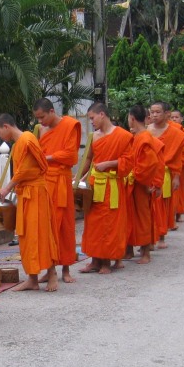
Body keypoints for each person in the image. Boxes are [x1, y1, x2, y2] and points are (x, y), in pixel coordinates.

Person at [0, 113, 59, 291]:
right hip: (26, 194)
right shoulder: (18, 144)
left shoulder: (27, 139)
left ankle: (52, 274)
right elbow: (21, 174)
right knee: (26, 236)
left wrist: (7, 188)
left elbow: (26, 170)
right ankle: (32, 278)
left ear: (6, 126)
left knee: (42, 233)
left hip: (36, 193)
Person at [79, 102, 134, 274]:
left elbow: (129, 161)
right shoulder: (93, 136)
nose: (92, 122)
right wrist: (78, 177)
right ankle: (95, 260)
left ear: (102, 114)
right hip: (95, 184)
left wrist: (108, 164)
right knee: (93, 223)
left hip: (112, 184)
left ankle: (107, 261)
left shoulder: (123, 135)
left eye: (92, 118)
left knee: (110, 224)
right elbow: (88, 159)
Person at [32, 97, 81, 284]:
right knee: (46, 227)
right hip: (44, 182)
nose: (40, 121)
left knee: (64, 227)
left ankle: (66, 269)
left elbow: (71, 156)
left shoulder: (70, 125)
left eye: (42, 117)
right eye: (37, 118)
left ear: (52, 111)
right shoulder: (40, 130)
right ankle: (48, 268)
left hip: (61, 181)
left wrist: (47, 157)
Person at [126, 105, 163, 264]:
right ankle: (129, 250)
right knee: (130, 218)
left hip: (140, 184)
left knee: (143, 218)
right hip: (133, 183)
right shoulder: (136, 137)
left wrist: (139, 178)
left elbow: (150, 163)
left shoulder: (145, 138)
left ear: (132, 118)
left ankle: (146, 252)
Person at [148, 101, 184, 249]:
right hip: (150, 173)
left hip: (165, 173)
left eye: (158, 112)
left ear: (166, 114)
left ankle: (161, 236)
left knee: (162, 205)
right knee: (149, 206)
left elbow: (177, 157)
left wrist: (176, 176)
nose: (154, 115)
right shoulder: (147, 131)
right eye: (152, 112)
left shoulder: (175, 133)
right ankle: (150, 238)